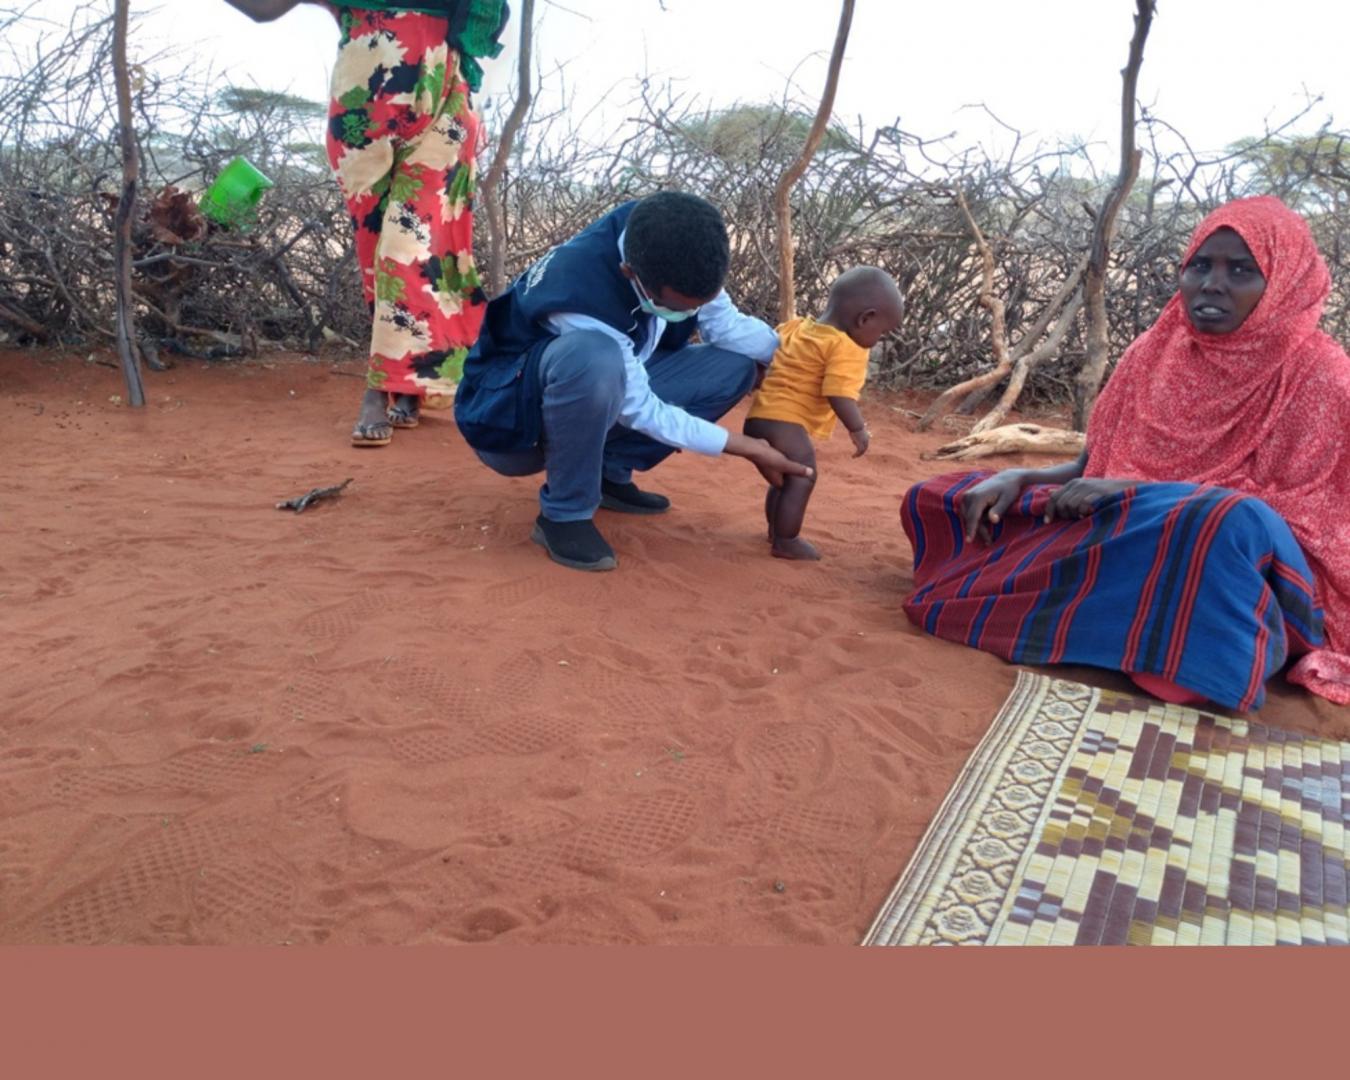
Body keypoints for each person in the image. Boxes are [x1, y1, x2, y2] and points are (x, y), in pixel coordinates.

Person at [900, 195, 1350, 712]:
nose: (1212, 283)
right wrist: (1022, 477)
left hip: (1230, 547)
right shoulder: (1154, 351)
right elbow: (1095, 468)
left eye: (1241, 270)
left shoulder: (1320, 374)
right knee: (942, 498)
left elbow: (1312, 517)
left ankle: (1221, 636)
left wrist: (1137, 492)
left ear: (1284, 283)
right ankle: (1141, 627)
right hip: (1126, 521)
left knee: (1222, 520)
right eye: (1200, 265)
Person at [454, 190, 814, 572]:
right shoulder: (579, 296)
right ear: (631, 274)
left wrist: (796, 363)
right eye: (679, 308)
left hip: (602, 391)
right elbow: (642, 409)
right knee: (592, 359)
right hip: (511, 424)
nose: (690, 314)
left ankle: (608, 472)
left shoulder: (674, 242)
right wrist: (749, 447)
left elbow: (725, 326)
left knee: (734, 367)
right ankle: (565, 514)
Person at [222, 1, 509, 447]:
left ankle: (378, 388)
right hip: (361, 118)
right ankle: (407, 384)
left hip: (442, 104)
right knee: (375, 252)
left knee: (406, 247)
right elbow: (265, 10)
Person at [744, 267, 903, 560]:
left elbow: (764, 360)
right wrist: (857, 429)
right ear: (864, 318)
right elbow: (839, 393)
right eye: (881, 333)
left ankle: (775, 529)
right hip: (786, 422)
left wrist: (752, 383)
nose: (879, 339)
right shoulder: (846, 347)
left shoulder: (794, 327)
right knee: (804, 475)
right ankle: (786, 539)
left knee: (787, 477)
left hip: (759, 416)